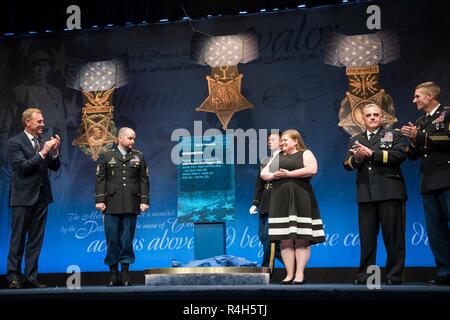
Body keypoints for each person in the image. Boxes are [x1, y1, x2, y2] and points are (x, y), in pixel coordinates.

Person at [344, 103, 407, 285]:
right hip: (366, 193)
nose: (372, 117)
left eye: (376, 115)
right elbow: (347, 164)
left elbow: (399, 155)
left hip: (390, 191)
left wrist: (372, 154)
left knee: (394, 237)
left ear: (382, 117)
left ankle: (393, 276)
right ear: (362, 119)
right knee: (367, 239)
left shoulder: (394, 134)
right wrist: (357, 159)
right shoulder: (355, 139)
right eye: (368, 115)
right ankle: (367, 276)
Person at [401, 82, 450, 286]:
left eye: (417, 96)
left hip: (447, 177)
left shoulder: (448, 114)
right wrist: (413, 141)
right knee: (436, 230)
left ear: (430, 96)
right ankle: (446, 271)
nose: (414, 100)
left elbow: (447, 138)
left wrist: (419, 136)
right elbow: (412, 156)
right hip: (429, 181)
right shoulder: (421, 121)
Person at [6, 108, 61, 289]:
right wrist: (43, 152)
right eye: (39, 121)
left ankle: (30, 277)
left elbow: (54, 167)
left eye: (43, 121)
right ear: (27, 122)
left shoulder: (41, 142)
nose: (42, 125)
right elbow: (22, 167)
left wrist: (54, 152)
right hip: (22, 198)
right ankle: (13, 277)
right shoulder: (15, 142)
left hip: (41, 198)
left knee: (36, 240)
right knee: (18, 238)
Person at [261, 129, 325, 284]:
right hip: (280, 199)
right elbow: (264, 173)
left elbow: (312, 169)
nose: (282, 143)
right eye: (281, 140)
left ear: (296, 141)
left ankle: (299, 274)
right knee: (285, 239)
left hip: (300, 197)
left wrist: (288, 174)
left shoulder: (305, 153)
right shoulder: (278, 156)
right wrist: (274, 175)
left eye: (285, 140)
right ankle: (289, 274)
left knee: (302, 238)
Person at [95, 127, 149, 286]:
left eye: (134, 139)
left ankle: (125, 275)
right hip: (111, 204)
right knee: (112, 240)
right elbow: (100, 179)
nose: (133, 141)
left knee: (127, 240)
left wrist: (144, 201)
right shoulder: (107, 155)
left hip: (131, 204)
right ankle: (112, 275)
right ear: (119, 139)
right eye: (130, 138)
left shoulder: (139, 156)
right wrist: (100, 200)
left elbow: (144, 180)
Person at [249, 132, 282, 268]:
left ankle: (266, 270)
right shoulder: (265, 160)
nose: (270, 142)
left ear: (281, 142)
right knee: (262, 237)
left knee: (269, 237)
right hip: (264, 201)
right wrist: (255, 203)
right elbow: (259, 184)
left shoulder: (285, 159)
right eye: (269, 140)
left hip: (277, 200)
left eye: (273, 139)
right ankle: (291, 263)